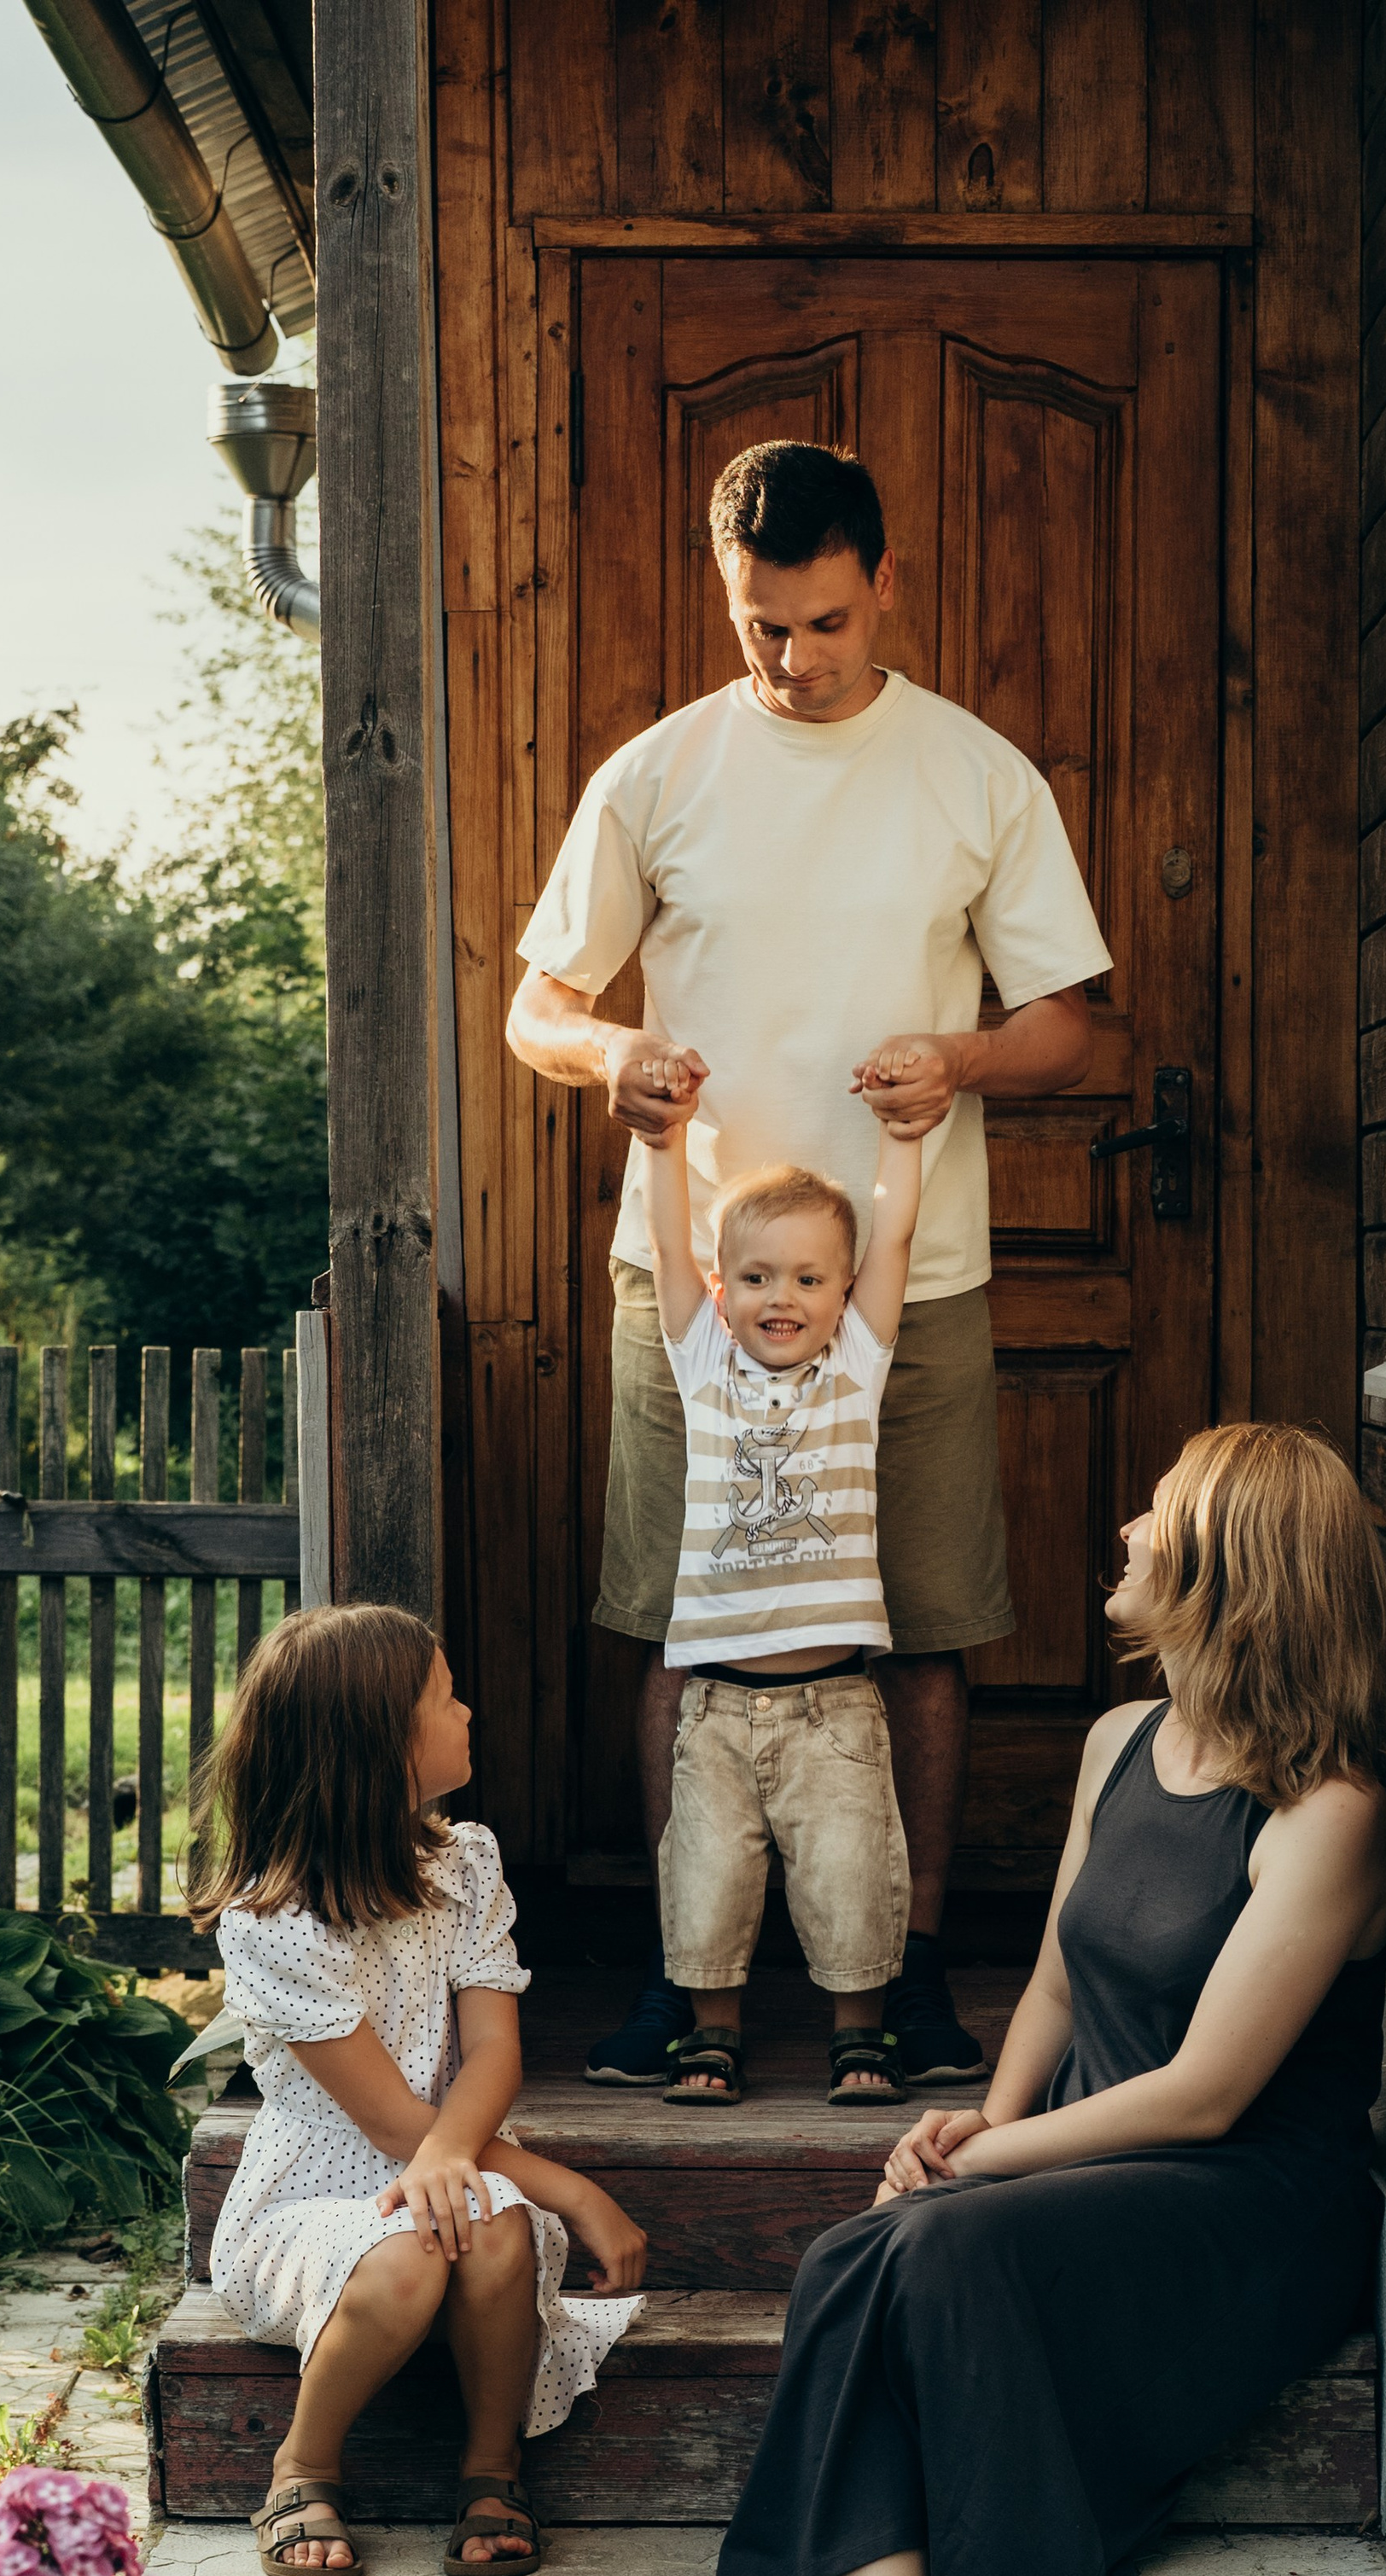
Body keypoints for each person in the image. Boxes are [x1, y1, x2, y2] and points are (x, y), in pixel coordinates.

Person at [715, 1427, 1386, 2576]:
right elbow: (1049, 1988)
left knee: (937, 2250)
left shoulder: (1330, 1808)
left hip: (1243, 2205)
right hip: (1084, 2171)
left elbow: (1210, 2091)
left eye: (1159, 1508)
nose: (1130, 1521)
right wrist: (988, 2119)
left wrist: (974, 2163)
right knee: (858, 2256)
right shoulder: (1114, 1744)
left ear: (1228, 1566)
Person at [505, 436, 1109, 2089]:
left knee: (918, 1626)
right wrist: (603, 1054)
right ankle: (673, 1981)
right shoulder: (654, 774)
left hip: (908, 1286)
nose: (790, 658)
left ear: (882, 584)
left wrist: (963, 1063)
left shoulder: (978, 776)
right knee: (665, 1621)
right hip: (689, 1289)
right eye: (760, 625)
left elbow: (1068, 1023)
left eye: (822, 621)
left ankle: (901, 1978)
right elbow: (533, 1005)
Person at [186, 1604, 649, 2576]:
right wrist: (571, 2186)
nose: (470, 1711)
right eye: (445, 1699)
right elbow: (390, 2122)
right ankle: (302, 2464)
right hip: (314, 2198)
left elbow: (491, 2052)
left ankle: (492, 2470)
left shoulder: (465, 1862)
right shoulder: (275, 1924)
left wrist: (454, 2161)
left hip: (458, 2150)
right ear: (379, 1744)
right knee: (406, 2260)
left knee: (495, 2231)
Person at [639, 1096, 924, 2104]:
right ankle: (712, 2037)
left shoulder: (854, 1370)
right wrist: (662, 1145)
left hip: (834, 1708)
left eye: (808, 1278)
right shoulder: (705, 1368)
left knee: (849, 1875)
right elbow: (669, 1246)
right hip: (713, 1705)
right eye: (756, 1277)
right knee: (710, 1879)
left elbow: (893, 1234)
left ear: (844, 1293)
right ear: (723, 1293)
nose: (781, 1297)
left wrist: (902, 1139)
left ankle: (859, 2039)